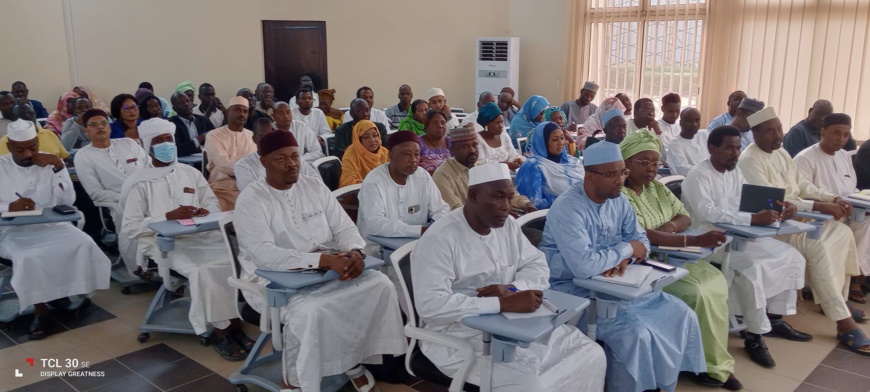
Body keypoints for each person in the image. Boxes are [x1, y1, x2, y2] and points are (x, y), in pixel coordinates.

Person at [234, 130, 406, 392]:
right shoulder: (251, 199)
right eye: (281, 159)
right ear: (263, 162)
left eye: (294, 156)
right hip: (272, 280)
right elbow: (263, 254)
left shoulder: (312, 185)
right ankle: (292, 380)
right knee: (311, 311)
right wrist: (323, 260)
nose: (292, 164)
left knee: (380, 284)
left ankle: (351, 361)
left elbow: (343, 227)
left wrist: (356, 252)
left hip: (329, 267)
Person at [412, 163, 607, 391]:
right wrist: (499, 303)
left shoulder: (507, 226)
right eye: (497, 198)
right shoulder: (440, 239)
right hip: (461, 335)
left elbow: (538, 266)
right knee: (529, 383)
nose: (506, 207)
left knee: (590, 353)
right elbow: (431, 306)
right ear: (473, 196)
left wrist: (513, 289)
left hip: (518, 324)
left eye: (509, 197)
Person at [540, 141, 706, 392]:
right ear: (589, 176)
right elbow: (584, 267)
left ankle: (660, 384)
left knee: (681, 314)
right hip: (573, 292)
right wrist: (626, 250)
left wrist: (625, 257)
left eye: (622, 172)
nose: (620, 180)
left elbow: (642, 242)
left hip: (618, 284)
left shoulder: (618, 200)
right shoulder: (568, 208)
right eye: (611, 174)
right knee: (635, 333)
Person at [739, 107, 869, 356]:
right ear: (755, 133)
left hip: (800, 217)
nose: (778, 135)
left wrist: (832, 197)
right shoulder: (750, 160)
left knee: (842, 234)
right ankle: (843, 322)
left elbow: (801, 184)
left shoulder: (781, 152)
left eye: (779, 129)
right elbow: (775, 200)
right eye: (770, 131)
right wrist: (819, 205)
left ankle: (838, 304)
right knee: (817, 246)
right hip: (776, 225)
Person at [120, 118, 253, 361]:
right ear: (149, 147)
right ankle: (223, 330)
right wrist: (166, 216)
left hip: (201, 235)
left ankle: (235, 323)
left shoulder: (190, 173)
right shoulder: (140, 183)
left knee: (232, 259)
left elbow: (211, 204)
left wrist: (206, 212)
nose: (166, 145)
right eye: (159, 141)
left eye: (168, 140)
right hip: (164, 243)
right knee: (204, 269)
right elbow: (130, 227)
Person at [619, 129, 742, 389]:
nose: (652, 169)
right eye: (644, 162)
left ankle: (710, 362)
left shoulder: (656, 188)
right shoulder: (621, 195)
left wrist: (671, 229)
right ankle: (699, 363)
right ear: (626, 163)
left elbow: (684, 215)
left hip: (673, 255)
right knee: (697, 292)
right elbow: (643, 237)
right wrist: (691, 240)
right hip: (644, 265)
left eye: (655, 162)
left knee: (716, 280)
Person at [682, 125, 809, 368]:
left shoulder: (734, 172)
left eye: (738, 147)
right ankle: (754, 335)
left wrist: (781, 208)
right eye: (729, 148)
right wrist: (752, 219)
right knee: (753, 270)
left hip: (741, 236)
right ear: (712, 148)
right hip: (711, 243)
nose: (735, 153)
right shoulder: (698, 175)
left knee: (791, 256)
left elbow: (747, 202)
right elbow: (709, 213)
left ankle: (775, 318)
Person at [1, 118, 110, 341]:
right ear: (10, 147)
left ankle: (61, 293)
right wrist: (8, 207)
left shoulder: (49, 163)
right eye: (20, 150)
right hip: (12, 231)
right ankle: (41, 313)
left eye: (33, 147)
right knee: (30, 257)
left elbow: (67, 200)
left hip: (52, 225)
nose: (28, 155)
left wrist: (58, 166)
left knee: (82, 242)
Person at [794, 113, 870, 303]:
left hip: (847, 211)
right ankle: (851, 282)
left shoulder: (844, 156)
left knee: (866, 223)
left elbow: (851, 188)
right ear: (822, 131)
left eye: (846, 135)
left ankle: (855, 279)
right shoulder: (805, 158)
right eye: (836, 133)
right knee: (862, 228)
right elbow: (801, 193)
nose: (842, 139)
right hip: (815, 216)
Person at [74, 109, 149, 272]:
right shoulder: (83, 156)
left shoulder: (128, 144)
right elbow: (95, 193)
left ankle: (169, 263)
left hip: (149, 194)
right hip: (118, 202)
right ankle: (138, 268)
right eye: (93, 125)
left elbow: (150, 169)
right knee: (129, 216)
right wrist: (127, 196)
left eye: (103, 123)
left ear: (109, 127)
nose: (100, 127)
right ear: (86, 131)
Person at [358, 130, 449, 254]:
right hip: (378, 252)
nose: (413, 160)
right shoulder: (374, 182)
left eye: (417, 154)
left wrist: (437, 226)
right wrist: (419, 230)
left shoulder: (422, 176)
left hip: (419, 246)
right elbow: (375, 224)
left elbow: (440, 208)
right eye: (407, 154)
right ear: (391, 155)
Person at [433, 125, 536, 214]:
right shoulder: (442, 175)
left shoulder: (483, 167)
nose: (472, 150)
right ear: (453, 150)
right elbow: (457, 210)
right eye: (465, 146)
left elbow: (507, 193)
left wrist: (526, 204)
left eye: (475, 145)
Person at [234, 117, 320, 192]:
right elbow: (252, 194)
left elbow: (317, 181)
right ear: (254, 139)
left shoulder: (293, 159)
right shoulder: (243, 166)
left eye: (273, 135)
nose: (271, 140)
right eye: (263, 137)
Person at [204, 96, 257, 211]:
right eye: (237, 110)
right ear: (228, 112)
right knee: (216, 213)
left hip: (249, 187)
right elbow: (223, 165)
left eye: (245, 111)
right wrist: (247, 171)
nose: (242, 114)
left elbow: (259, 164)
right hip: (222, 187)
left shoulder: (253, 136)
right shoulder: (214, 135)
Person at [515, 122, 584, 209]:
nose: (561, 143)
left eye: (562, 138)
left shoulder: (573, 162)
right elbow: (534, 204)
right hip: (553, 216)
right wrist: (567, 201)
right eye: (555, 140)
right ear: (543, 142)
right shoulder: (533, 166)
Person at [784, 100, 857, 157]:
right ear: (810, 111)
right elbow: (793, 161)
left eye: (827, 115)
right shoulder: (797, 132)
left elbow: (851, 153)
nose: (822, 118)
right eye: (819, 114)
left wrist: (846, 134)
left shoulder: (830, 132)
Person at [0, 104, 70, 159]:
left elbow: (64, 157)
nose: (28, 116)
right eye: (22, 115)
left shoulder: (49, 134)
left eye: (31, 113)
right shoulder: (6, 142)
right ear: (13, 120)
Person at [339, 119, 389, 187]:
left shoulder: (384, 152)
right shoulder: (351, 154)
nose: (372, 140)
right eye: (366, 137)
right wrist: (371, 184)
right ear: (358, 140)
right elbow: (346, 182)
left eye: (375, 135)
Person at [477, 102, 524, 170]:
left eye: (502, 122)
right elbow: (480, 166)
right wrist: (506, 165)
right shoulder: (477, 140)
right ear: (486, 124)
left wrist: (517, 160)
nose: (501, 126)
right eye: (497, 123)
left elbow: (513, 155)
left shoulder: (504, 137)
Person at [169, 91, 215, 157]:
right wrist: (198, 139)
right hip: (184, 164)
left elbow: (216, 139)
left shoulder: (203, 120)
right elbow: (177, 149)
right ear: (174, 108)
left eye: (188, 101)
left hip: (205, 161)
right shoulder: (171, 124)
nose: (186, 104)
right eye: (181, 103)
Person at [666, 107, 709, 176]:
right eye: (689, 121)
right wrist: (709, 171)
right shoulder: (675, 144)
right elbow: (683, 169)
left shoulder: (704, 135)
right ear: (681, 123)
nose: (694, 124)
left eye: (697, 120)